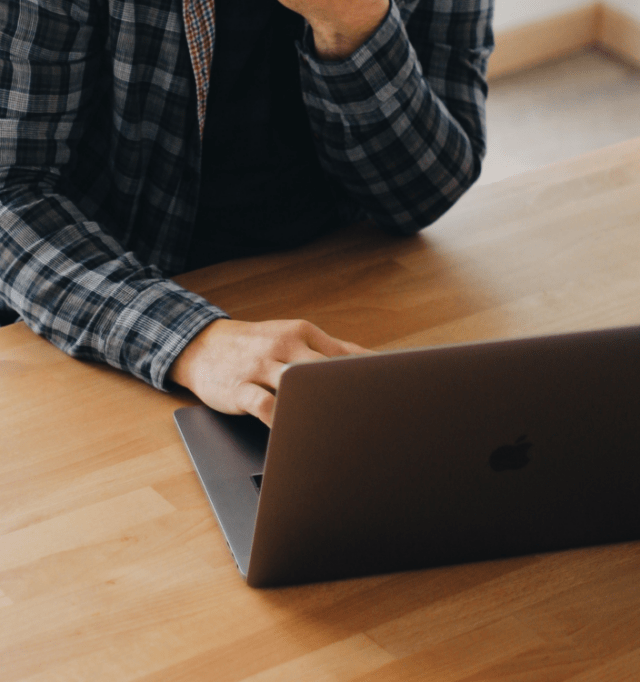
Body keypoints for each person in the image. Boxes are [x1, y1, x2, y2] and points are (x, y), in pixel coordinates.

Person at [0, 0, 494, 425]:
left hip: (336, 290)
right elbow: (11, 191)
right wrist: (190, 340)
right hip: (96, 318)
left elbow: (425, 192)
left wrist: (354, 21)